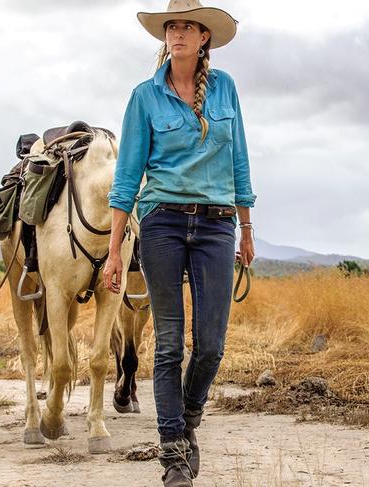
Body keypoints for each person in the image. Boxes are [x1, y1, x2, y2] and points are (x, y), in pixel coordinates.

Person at [103, 1, 256, 485]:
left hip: (217, 225)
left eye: (188, 27)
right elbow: (127, 178)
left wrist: (247, 228)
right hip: (162, 223)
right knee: (168, 343)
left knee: (210, 346)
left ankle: (187, 419)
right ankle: (172, 455)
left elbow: (240, 164)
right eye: (172, 27)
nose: (178, 34)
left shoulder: (226, 88)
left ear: (204, 36)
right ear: (164, 35)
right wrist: (112, 251)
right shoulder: (143, 97)